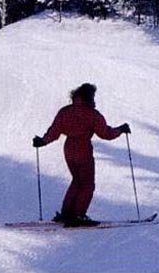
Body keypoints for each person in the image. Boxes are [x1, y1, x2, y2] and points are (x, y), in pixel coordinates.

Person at [33, 83, 130, 227]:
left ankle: (66, 213)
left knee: (77, 180)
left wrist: (42, 141)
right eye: (93, 96)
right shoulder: (92, 114)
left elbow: (54, 131)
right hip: (83, 149)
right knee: (87, 184)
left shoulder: (65, 111)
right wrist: (121, 129)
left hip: (69, 149)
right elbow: (105, 133)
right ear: (88, 97)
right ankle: (78, 215)